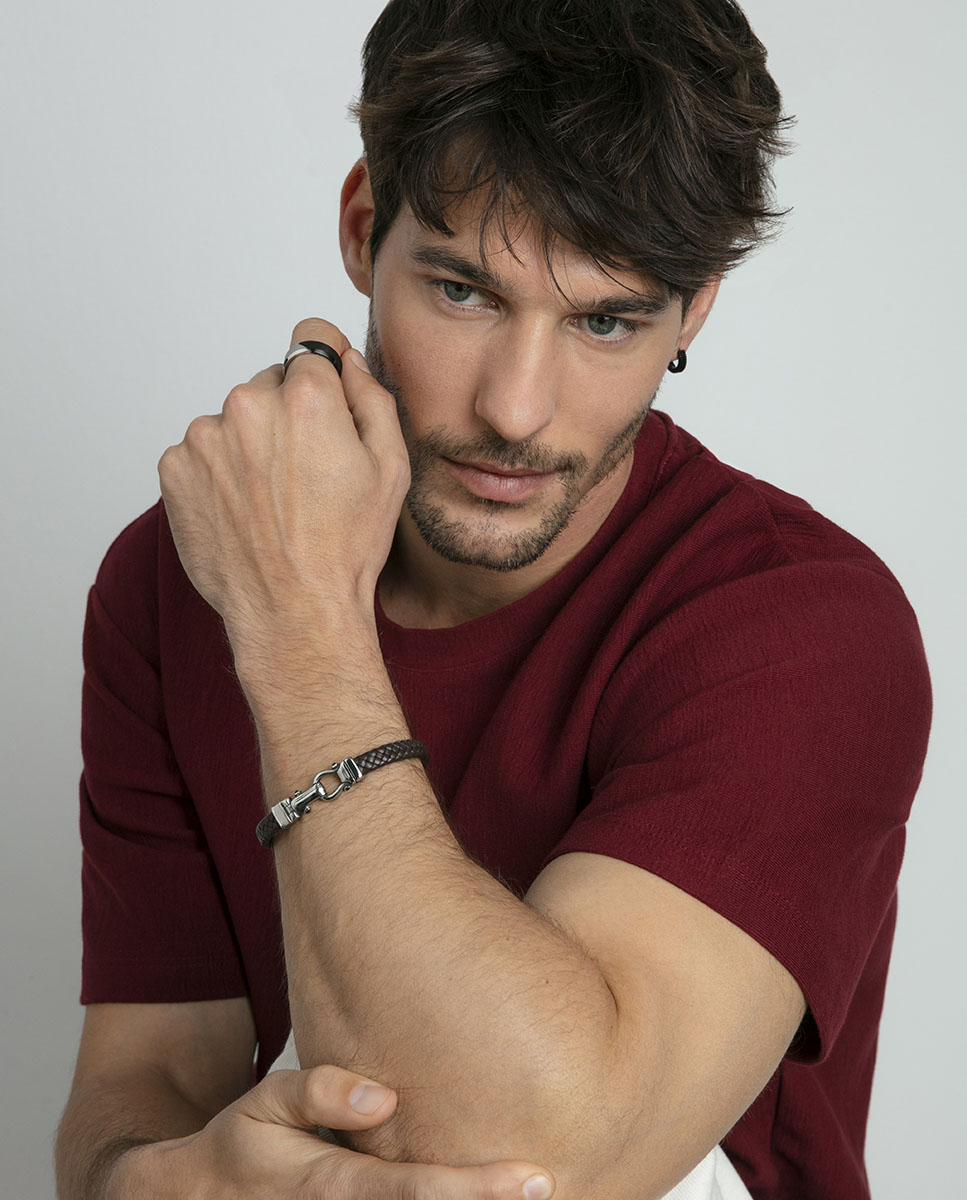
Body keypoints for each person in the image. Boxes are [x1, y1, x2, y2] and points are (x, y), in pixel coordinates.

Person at [55, 0, 932, 1197]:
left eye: (606, 319)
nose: (516, 410)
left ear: (695, 307)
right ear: (364, 229)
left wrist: (301, 633)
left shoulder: (803, 627)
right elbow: (148, 1076)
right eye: (464, 291)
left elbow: (540, 1169)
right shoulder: (181, 573)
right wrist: (145, 1182)